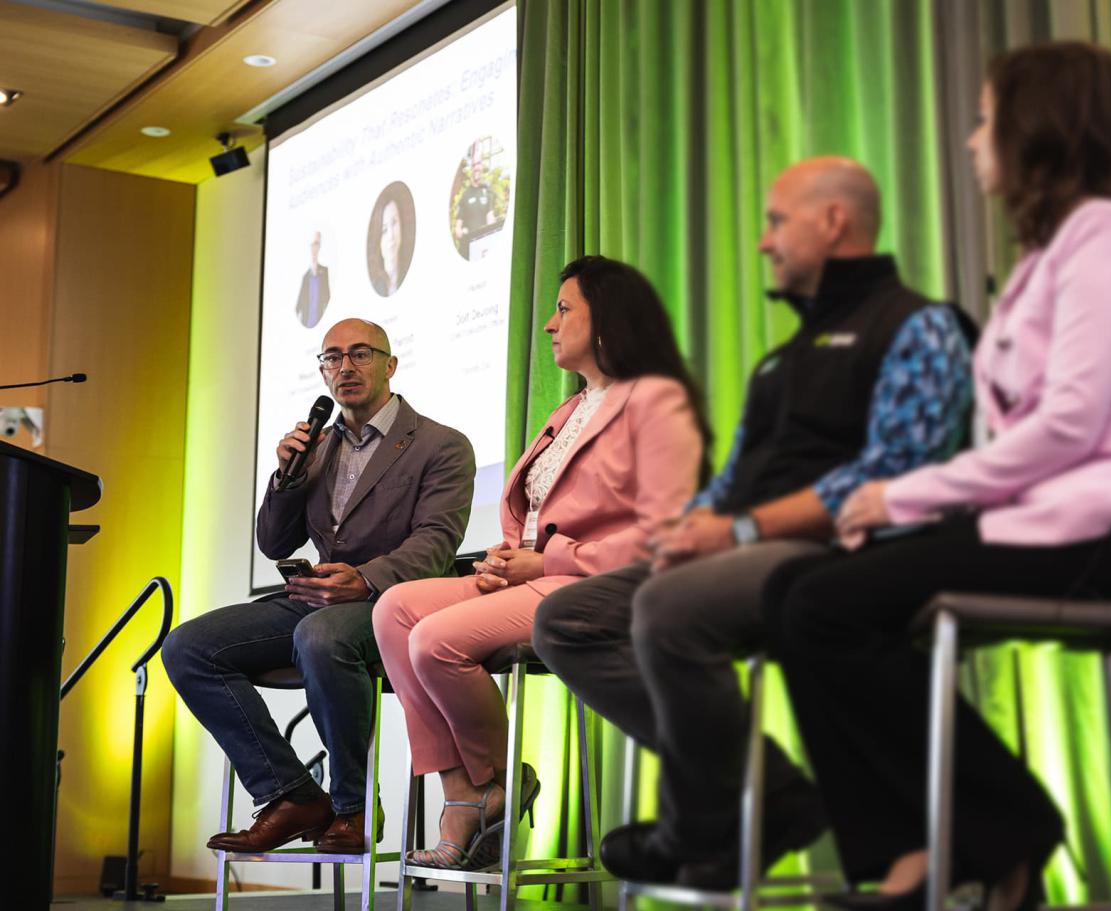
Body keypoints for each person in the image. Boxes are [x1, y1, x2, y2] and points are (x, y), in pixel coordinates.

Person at [764, 42, 1111, 911]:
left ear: (1039, 128)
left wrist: (902, 496)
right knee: (798, 593)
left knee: (818, 604)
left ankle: (996, 830)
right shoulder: (1049, 254)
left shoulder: (1103, 234)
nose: (972, 140)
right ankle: (927, 848)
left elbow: (1067, 426)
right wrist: (892, 513)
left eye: (989, 119)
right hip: (1045, 522)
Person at [532, 157, 977, 889]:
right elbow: (735, 475)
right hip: (744, 549)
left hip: (838, 546)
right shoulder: (782, 362)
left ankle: (700, 826)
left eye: (776, 223)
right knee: (569, 618)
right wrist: (698, 525)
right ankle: (768, 791)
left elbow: (903, 466)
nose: (764, 243)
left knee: (667, 603)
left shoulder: (917, 326)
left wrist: (740, 530)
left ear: (833, 222)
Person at [373, 256, 707, 870]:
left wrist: (550, 556)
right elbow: (533, 509)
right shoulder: (569, 410)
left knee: (434, 642)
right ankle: (469, 793)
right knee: (395, 610)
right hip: (538, 573)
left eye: (564, 309)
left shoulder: (654, 403)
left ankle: (492, 786)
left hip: (595, 582)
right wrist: (509, 554)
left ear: (606, 320)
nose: (549, 325)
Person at [162, 318, 475, 854]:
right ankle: (290, 794)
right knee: (188, 647)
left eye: (360, 354)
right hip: (318, 597)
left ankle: (352, 808)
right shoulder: (318, 446)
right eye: (332, 358)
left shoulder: (441, 444)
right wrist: (286, 475)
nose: (345, 368)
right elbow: (274, 541)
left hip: (397, 602)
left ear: (390, 364)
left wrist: (367, 579)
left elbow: (436, 543)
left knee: (322, 637)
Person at [454, 159, 497, 259]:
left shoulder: (487, 193)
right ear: (472, 170)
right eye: (475, 167)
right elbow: (457, 231)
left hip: (482, 247)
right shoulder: (465, 196)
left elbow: (490, 217)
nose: (477, 169)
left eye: (479, 167)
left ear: (482, 171)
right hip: (467, 249)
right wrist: (463, 232)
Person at [295, 231, 330, 328]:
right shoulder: (305, 277)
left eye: (317, 244)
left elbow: (327, 298)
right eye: (313, 244)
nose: (315, 248)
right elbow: (298, 307)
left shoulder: (325, 272)